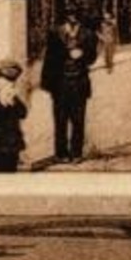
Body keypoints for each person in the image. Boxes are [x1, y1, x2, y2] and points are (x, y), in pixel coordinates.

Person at [41, 9, 99, 162]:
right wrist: (46, 83)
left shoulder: (88, 34)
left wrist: (83, 54)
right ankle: (61, 153)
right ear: (66, 17)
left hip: (79, 82)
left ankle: (76, 153)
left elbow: (93, 57)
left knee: (78, 119)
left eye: (75, 15)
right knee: (60, 119)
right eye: (69, 15)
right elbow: (49, 58)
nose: (72, 18)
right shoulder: (55, 32)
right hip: (59, 83)